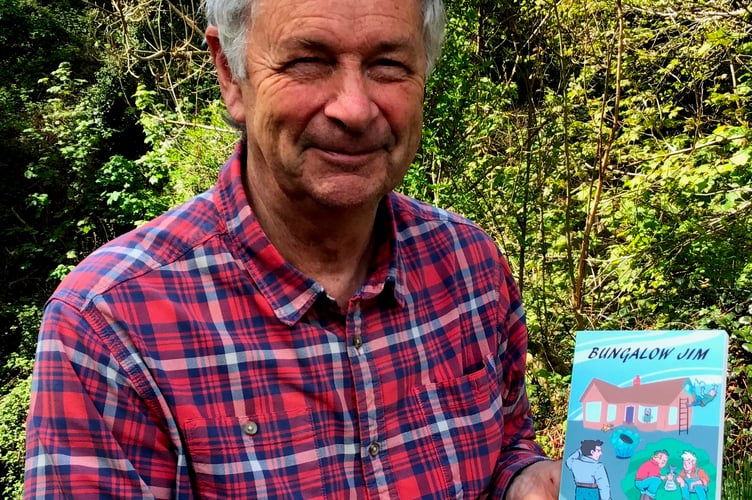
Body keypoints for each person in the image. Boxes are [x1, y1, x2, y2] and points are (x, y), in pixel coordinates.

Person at [23, 0, 561, 498]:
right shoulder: (108, 326)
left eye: (388, 66)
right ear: (231, 74)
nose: (354, 107)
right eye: (308, 60)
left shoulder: (471, 267)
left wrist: (523, 480)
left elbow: (506, 444)